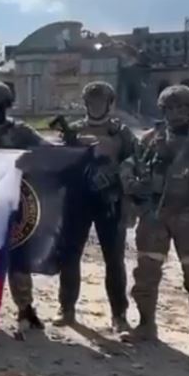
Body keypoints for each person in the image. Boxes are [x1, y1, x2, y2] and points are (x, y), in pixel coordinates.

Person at [120, 85, 189, 355]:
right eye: (170, 107)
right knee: (146, 274)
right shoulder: (150, 138)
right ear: (163, 110)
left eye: (182, 107)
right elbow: (128, 167)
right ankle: (146, 325)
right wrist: (133, 197)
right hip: (155, 216)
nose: (176, 112)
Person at [54, 81, 138, 334]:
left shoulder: (121, 132)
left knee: (114, 259)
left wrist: (116, 175)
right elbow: (60, 166)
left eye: (101, 100)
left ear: (109, 103)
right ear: (85, 103)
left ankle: (119, 315)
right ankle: (66, 308)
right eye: (91, 101)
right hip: (78, 200)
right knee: (70, 256)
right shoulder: (73, 130)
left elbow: (136, 160)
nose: (96, 105)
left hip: (109, 201)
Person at [0, 80, 47, 333]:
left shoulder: (21, 132)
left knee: (18, 260)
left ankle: (25, 308)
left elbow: (48, 153)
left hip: (15, 204)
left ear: (7, 105)